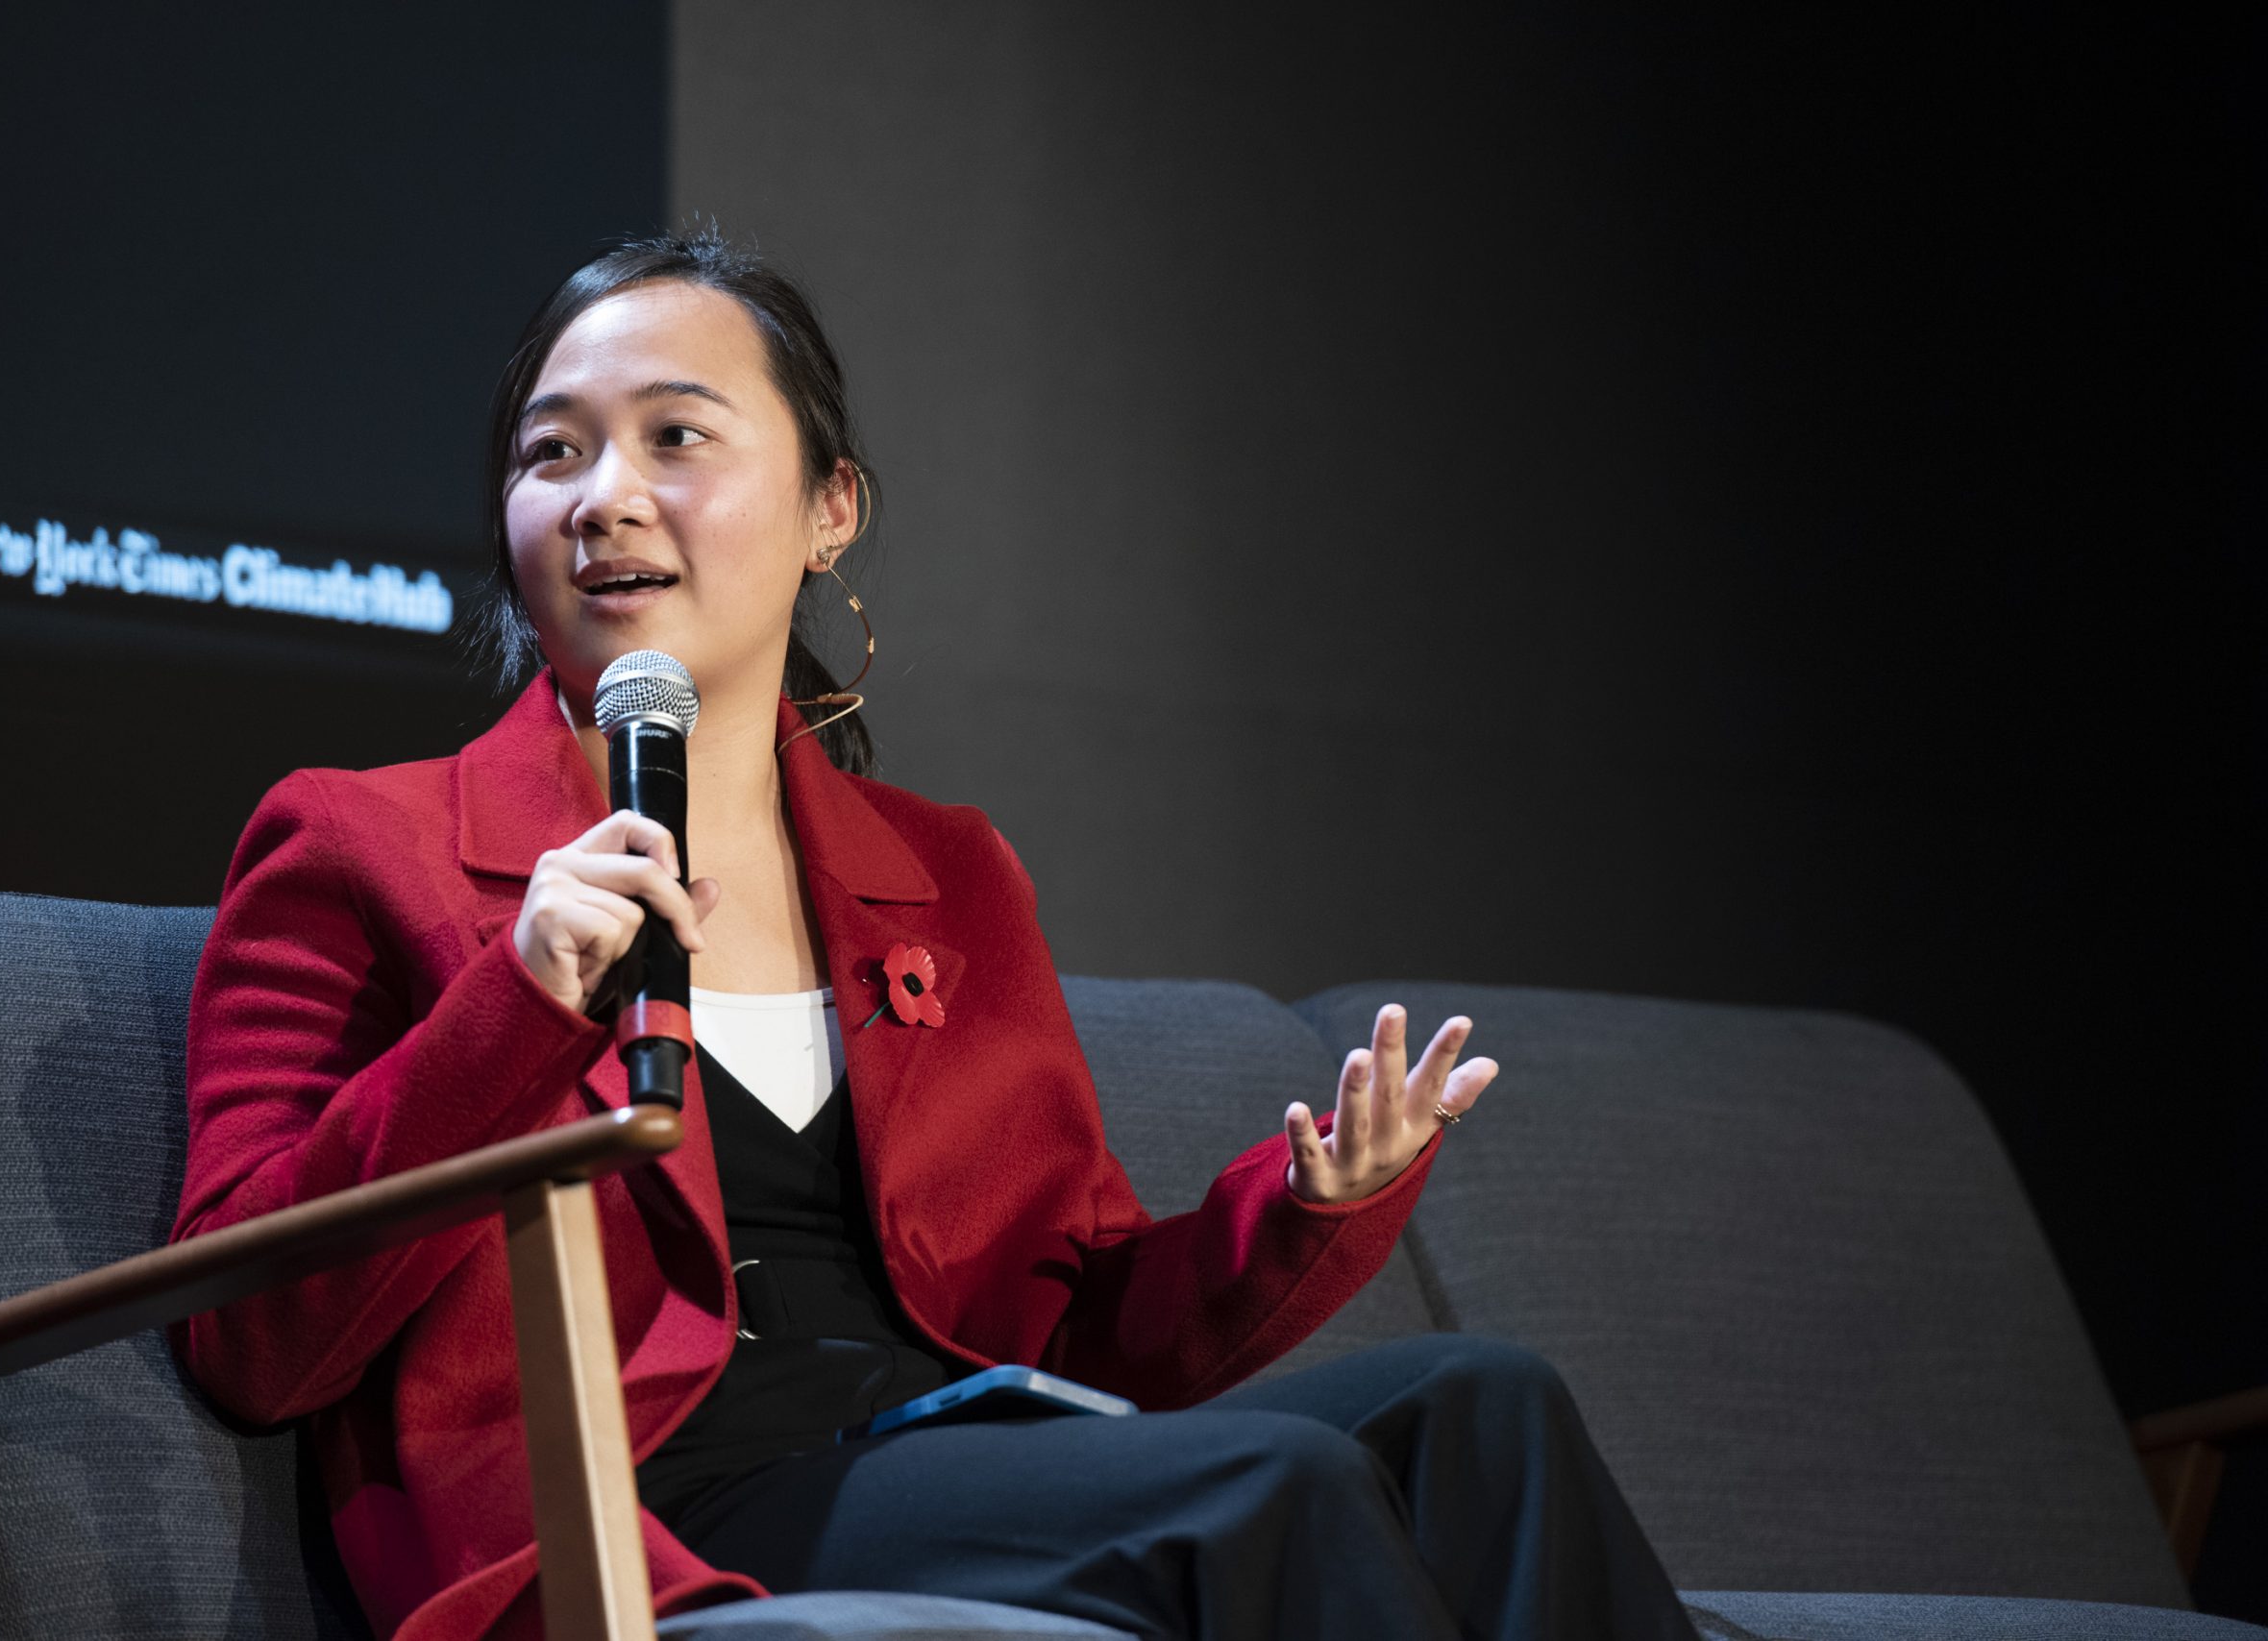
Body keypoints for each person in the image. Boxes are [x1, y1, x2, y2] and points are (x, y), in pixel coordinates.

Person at [170, 228, 1700, 1641]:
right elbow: (250, 1336)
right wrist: (515, 1004)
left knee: (1486, 1402)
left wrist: (1300, 1212)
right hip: (656, 1508)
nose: (602, 497)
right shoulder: (363, 844)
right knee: (1265, 1497)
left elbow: (1087, 1337)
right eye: (549, 454)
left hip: (946, 1456)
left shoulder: (947, 879)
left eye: (675, 437)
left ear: (831, 511)